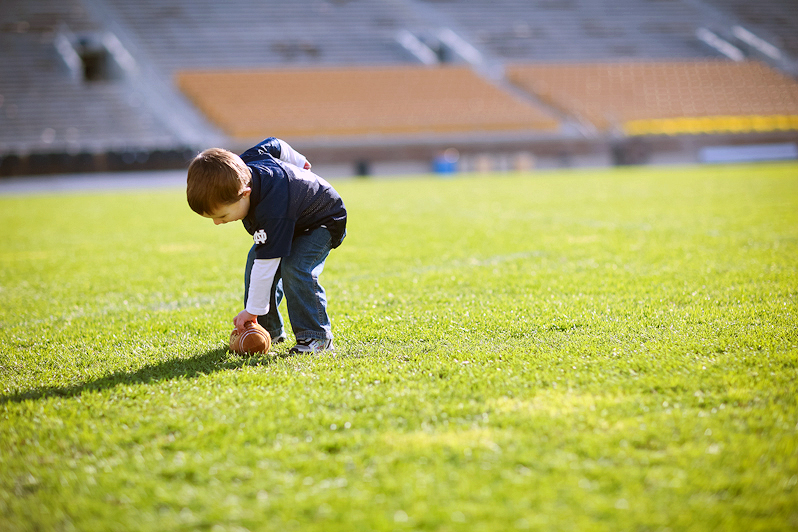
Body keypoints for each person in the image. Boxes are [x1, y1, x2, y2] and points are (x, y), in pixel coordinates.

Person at [186, 137, 346, 354]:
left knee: (295, 267)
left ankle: (317, 337)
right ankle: (267, 330)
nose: (217, 222)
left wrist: (251, 311)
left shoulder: (271, 207)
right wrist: (299, 161)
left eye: (222, 215)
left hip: (323, 220)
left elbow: (267, 263)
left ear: (245, 193)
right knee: (255, 261)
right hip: (294, 221)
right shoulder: (241, 168)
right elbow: (274, 144)